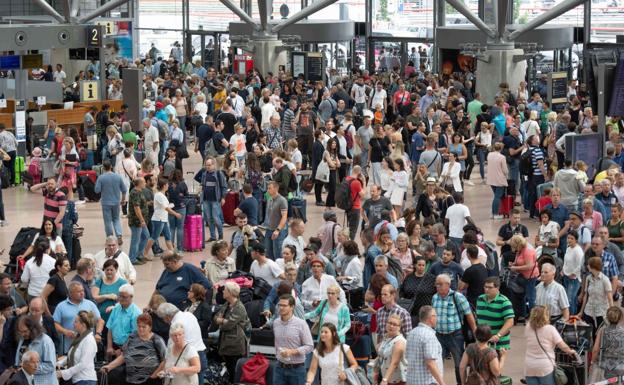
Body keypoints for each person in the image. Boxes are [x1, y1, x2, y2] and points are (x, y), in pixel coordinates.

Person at [101, 313, 166, 385]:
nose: (141, 329)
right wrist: (109, 366)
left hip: (150, 380)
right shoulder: (132, 337)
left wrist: (154, 376)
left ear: (150, 327)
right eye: (139, 326)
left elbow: (165, 360)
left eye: (144, 327)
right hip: (131, 380)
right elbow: (123, 356)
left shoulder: (157, 340)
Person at [524, 306, 578, 385]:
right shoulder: (550, 329)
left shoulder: (528, 327)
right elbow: (562, 345)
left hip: (529, 366)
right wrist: (570, 351)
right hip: (545, 366)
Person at [156, 303, 207, 384]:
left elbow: (169, 352)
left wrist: (156, 373)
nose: (164, 321)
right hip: (201, 353)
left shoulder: (176, 325)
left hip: (188, 358)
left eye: (163, 319)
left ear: (167, 317)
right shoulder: (189, 314)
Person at [212, 282, 251, 382]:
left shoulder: (239, 308)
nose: (223, 291)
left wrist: (223, 321)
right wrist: (222, 320)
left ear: (230, 292)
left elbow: (227, 326)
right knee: (229, 370)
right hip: (225, 344)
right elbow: (215, 317)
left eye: (225, 290)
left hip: (235, 346)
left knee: (235, 372)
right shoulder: (227, 304)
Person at [273, 294, 314, 385]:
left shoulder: (301, 324)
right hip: (279, 368)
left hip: (297, 369)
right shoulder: (276, 323)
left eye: (284, 305)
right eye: (280, 305)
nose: (281, 308)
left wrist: (292, 351)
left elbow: (310, 346)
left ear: (292, 307)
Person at [53, 282, 103, 355]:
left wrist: (98, 333)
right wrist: (65, 331)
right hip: (68, 346)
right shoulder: (61, 306)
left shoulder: (90, 304)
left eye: (82, 290)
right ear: (70, 293)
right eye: (79, 291)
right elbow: (55, 323)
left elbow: (100, 321)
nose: (82, 293)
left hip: (88, 347)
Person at [475, 277, 515, 370]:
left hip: (498, 342)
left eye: (490, 287)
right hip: (482, 340)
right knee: (481, 369)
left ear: (497, 288)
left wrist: (498, 335)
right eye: (485, 287)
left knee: (494, 370)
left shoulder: (504, 302)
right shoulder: (480, 299)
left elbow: (510, 322)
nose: (486, 289)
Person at [406, 306, 446, 385]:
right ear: (431, 318)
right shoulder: (429, 336)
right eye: (435, 315)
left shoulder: (411, 333)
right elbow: (430, 363)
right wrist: (442, 382)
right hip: (428, 382)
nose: (437, 318)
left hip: (412, 380)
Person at [56, 310, 98, 385]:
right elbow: (72, 355)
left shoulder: (89, 340)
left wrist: (64, 373)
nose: (73, 324)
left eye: (76, 322)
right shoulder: (79, 339)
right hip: (79, 381)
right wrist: (59, 363)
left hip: (86, 381)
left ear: (83, 325)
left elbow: (83, 364)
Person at [14, 315, 57, 385]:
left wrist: (28, 368)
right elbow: (18, 360)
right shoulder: (22, 340)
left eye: (25, 331)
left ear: (33, 329)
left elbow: (51, 366)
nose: (22, 334)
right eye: (20, 332)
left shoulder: (46, 341)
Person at [193, 157, 227, 242]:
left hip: (216, 200)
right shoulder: (204, 174)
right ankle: (213, 236)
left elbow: (224, 186)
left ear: (213, 165)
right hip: (206, 200)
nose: (207, 167)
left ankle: (220, 235)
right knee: (209, 218)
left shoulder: (219, 173)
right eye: (206, 165)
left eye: (209, 165)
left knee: (216, 218)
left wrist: (223, 198)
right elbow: (199, 180)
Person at [577, 256, 614, 334]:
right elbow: (586, 296)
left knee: (599, 336)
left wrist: (611, 314)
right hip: (589, 311)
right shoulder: (588, 278)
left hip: (601, 313)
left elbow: (610, 299)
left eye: (589, 265)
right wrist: (581, 311)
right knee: (588, 335)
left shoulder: (605, 280)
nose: (587, 266)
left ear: (593, 267)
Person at [94, 160, 127, 244]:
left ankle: (110, 237)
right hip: (116, 202)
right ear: (111, 167)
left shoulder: (101, 177)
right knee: (116, 219)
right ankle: (119, 235)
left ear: (103, 168)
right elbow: (124, 190)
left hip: (106, 202)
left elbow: (97, 190)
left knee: (107, 221)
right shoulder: (118, 177)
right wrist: (123, 200)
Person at [105, 284, 141, 358]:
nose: (120, 299)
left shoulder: (136, 313)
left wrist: (122, 350)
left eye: (124, 297)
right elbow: (110, 328)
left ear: (131, 297)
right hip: (114, 346)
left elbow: (135, 336)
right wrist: (109, 346)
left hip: (128, 348)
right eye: (119, 296)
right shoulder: (116, 308)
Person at [508, 235, 539, 318]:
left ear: (518, 244)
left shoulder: (528, 250)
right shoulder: (520, 250)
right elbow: (518, 260)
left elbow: (530, 266)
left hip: (530, 277)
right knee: (522, 295)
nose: (513, 249)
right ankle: (523, 313)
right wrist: (513, 264)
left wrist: (516, 268)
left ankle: (534, 316)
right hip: (523, 276)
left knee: (530, 297)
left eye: (514, 246)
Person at [126, 178, 154, 265]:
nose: (145, 183)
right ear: (139, 184)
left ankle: (139, 254)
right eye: (144, 182)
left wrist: (148, 203)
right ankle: (132, 258)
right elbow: (136, 208)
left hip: (142, 220)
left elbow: (141, 204)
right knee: (135, 240)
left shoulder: (140, 191)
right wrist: (141, 220)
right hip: (136, 221)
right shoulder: (135, 193)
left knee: (146, 235)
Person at [91, 259, 127, 326]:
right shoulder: (99, 281)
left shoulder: (123, 283)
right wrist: (107, 296)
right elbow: (94, 298)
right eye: (107, 270)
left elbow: (127, 300)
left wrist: (116, 304)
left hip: (116, 318)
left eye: (111, 270)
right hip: (100, 318)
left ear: (116, 270)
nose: (109, 272)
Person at [591, 306, 624, 380]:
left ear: (607, 317)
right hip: (621, 367)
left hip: (605, 368)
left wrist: (592, 363)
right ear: (620, 318)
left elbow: (596, 349)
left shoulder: (602, 330)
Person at [152, 177, 182, 252]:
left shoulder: (162, 195)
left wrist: (170, 205)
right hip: (158, 219)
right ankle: (145, 253)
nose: (168, 186)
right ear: (164, 185)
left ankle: (172, 253)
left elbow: (165, 206)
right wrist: (176, 214)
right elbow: (166, 208)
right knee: (154, 237)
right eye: (167, 184)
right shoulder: (159, 195)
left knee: (168, 237)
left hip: (163, 219)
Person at [263, 181, 289, 260]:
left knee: (278, 254)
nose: (267, 190)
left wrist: (277, 230)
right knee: (268, 252)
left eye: (269, 188)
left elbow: (284, 217)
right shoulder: (270, 199)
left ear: (276, 189)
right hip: (269, 229)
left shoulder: (282, 200)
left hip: (279, 231)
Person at [562, 232, 583, 315]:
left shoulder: (578, 250)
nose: (569, 240)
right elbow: (566, 261)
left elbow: (581, 264)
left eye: (571, 238)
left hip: (574, 279)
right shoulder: (568, 248)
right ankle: (572, 316)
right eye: (568, 238)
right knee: (570, 299)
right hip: (566, 276)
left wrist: (574, 273)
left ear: (576, 240)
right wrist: (563, 270)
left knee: (570, 299)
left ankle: (571, 316)